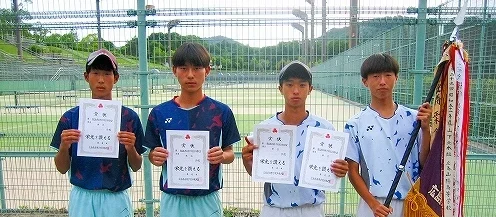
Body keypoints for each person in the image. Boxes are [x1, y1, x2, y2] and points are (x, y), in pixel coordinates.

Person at [241, 60, 349, 217]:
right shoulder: (266, 129)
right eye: (290, 85)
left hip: (311, 210)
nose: (296, 91)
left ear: (310, 89)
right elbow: (258, 172)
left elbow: (333, 171)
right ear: (280, 89)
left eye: (302, 85)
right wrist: (247, 161)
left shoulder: (324, 128)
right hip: (275, 209)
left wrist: (340, 169)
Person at [144, 42, 241, 217]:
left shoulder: (221, 112)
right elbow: (152, 154)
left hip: (207, 198)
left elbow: (230, 154)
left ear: (207, 71)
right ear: (174, 71)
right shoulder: (159, 113)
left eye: (197, 68)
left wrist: (221, 156)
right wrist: (154, 156)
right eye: (183, 68)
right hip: (172, 198)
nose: (190, 75)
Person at [50, 48, 146, 217]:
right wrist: (64, 147)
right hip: (82, 196)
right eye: (95, 73)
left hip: (116, 197)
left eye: (107, 73)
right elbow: (62, 168)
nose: (101, 80)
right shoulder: (71, 118)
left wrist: (131, 148)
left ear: (116, 78)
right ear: (86, 77)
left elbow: (137, 165)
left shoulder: (129, 117)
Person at [344, 53, 432, 217]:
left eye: (388, 75)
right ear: (365, 81)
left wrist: (426, 130)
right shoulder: (355, 124)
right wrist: (373, 204)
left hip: (412, 203)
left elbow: (424, 162)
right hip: (373, 205)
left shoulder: (415, 118)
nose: (382, 81)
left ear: (396, 78)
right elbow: (353, 172)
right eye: (376, 76)